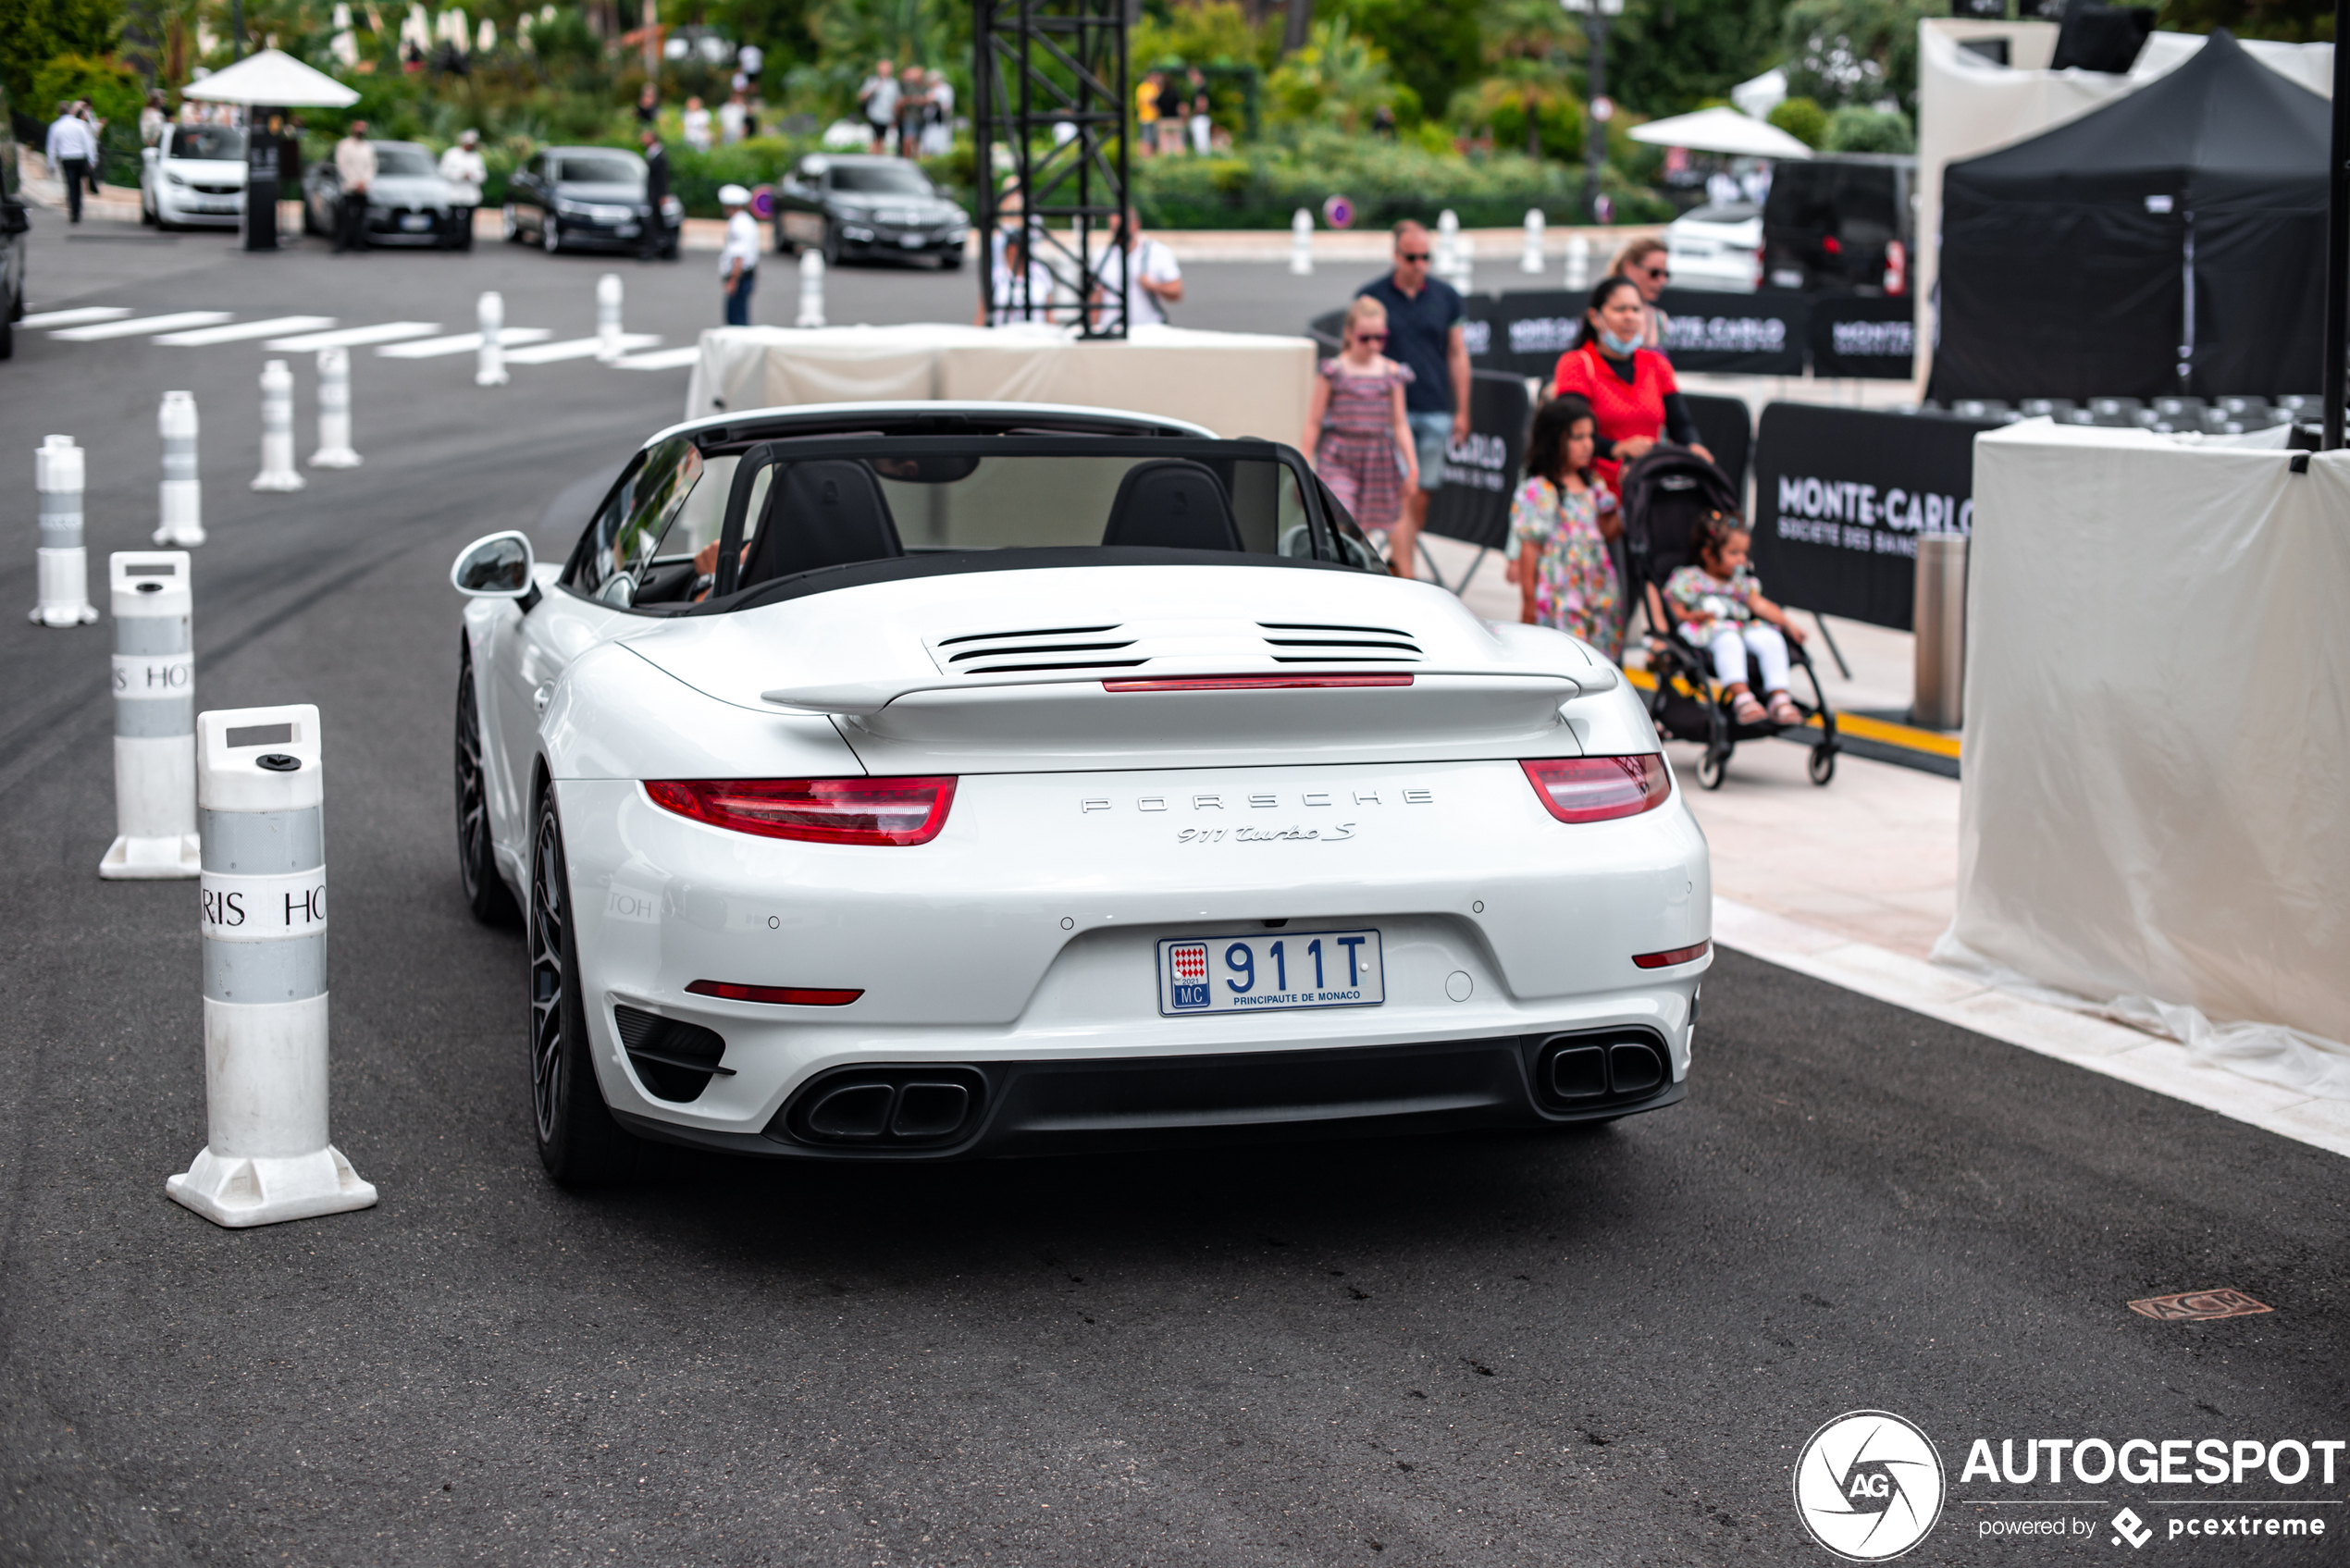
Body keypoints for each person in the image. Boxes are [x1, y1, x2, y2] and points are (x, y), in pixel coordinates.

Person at [1354, 220, 1470, 579]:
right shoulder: (1371, 296)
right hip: (1389, 413)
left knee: (1421, 494)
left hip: (1434, 407)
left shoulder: (1446, 295)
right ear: (1395, 256)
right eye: (1411, 257)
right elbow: (1358, 351)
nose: (1419, 264)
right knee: (1401, 492)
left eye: (1426, 257)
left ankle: (1398, 561)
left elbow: (1457, 352)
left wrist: (1463, 410)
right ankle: (1407, 574)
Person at [1551, 275, 1712, 492]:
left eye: (1636, 310)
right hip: (1593, 491)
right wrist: (1617, 448)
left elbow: (1680, 424)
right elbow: (1569, 431)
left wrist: (1694, 446)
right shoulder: (1577, 363)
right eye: (1620, 309)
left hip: (1646, 489)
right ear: (1595, 317)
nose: (1629, 317)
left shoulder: (1656, 364)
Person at [1509, 393, 1622, 660]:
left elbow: (1607, 532)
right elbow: (1529, 548)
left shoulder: (1593, 484)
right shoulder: (1540, 489)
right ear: (1554, 440)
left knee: (1598, 657)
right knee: (1569, 656)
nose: (1588, 445)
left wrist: (1627, 502)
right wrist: (1528, 603)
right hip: (1561, 593)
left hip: (1597, 589)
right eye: (1577, 437)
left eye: (1591, 436)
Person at [1664, 516, 1807, 726]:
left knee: (1771, 638)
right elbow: (1674, 608)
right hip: (1709, 628)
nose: (1742, 559)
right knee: (1729, 641)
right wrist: (1693, 616)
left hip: (1741, 625)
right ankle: (1743, 699)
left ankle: (1779, 698)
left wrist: (1788, 624)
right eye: (1734, 553)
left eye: (1744, 553)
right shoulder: (1690, 578)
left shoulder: (1740, 582)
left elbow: (1760, 606)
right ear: (1709, 555)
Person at [1302, 295, 1416, 535]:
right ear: (1349, 333)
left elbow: (1399, 423)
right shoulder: (1333, 371)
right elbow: (1314, 421)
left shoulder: (1391, 372)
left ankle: (1356, 567)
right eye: (1365, 338)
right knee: (1342, 512)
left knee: (1362, 530)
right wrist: (1302, 462)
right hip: (1340, 455)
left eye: (1380, 338)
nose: (1373, 345)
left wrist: (1412, 467)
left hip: (1377, 457)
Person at [1088, 207, 1181, 328]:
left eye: (1120, 228)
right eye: (1113, 228)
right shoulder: (1101, 255)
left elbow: (1176, 292)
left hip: (1149, 329)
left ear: (1135, 225)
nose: (1117, 233)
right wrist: (1092, 328)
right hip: (1110, 330)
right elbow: (1096, 296)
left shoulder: (1158, 252)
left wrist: (1154, 286)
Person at [980, 227, 1058, 326]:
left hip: (1036, 336)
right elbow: (982, 315)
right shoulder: (995, 276)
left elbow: (1049, 314)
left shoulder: (1040, 272)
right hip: (1001, 337)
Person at [1608, 236, 1671, 350]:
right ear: (1629, 267)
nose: (1663, 281)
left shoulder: (1659, 318)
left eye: (1665, 274)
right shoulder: (1603, 314)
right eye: (1654, 273)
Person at [45, 102, 99, 222]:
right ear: (70, 111)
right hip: (79, 157)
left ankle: (73, 211)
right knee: (78, 184)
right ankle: (78, 209)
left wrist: (51, 164)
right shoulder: (80, 125)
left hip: (66, 158)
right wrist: (92, 160)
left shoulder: (55, 126)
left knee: (71, 185)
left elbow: (51, 148)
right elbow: (88, 143)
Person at [332, 119, 377, 253]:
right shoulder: (344, 145)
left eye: (363, 127)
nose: (361, 130)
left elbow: (371, 167)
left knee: (361, 219)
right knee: (344, 219)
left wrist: (364, 182)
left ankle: (359, 245)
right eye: (359, 127)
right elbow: (342, 166)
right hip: (348, 188)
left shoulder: (368, 147)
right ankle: (341, 245)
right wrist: (354, 183)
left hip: (363, 188)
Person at [718, 183, 759, 326]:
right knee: (739, 315)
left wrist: (733, 280)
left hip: (740, 275)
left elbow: (738, 255)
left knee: (736, 320)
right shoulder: (746, 221)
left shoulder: (738, 224)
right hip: (745, 274)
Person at [439, 128, 486, 233]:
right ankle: (450, 243)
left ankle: (465, 244)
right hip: (454, 193)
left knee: (468, 222)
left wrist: (472, 176)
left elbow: (482, 175)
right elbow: (443, 171)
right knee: (451, 220)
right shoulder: (451, 154)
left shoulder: (477, 157)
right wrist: (460, 175)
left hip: (471, 195)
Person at [638, 126, 670, 260]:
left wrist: (663, 195)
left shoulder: (659, 155)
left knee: (657, 223)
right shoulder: (652, 152)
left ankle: (660, 250)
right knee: (655, 222)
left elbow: (663, 177)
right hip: (653, 193)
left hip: (656, 194)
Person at [860, 59, 899, 154]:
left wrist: (896, 116)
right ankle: (874, 156)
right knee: (875, 137)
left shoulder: (893, 84)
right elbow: (862, 97)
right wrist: (873, 90)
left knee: (883, 138)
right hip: (874, 114)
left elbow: (896, 101)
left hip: (887, 115)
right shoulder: (872, 81)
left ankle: (879, 157)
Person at [896, 68, 929, 160]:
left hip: (922, 117)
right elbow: (900, 101)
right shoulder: (907, 87)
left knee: (917, 142)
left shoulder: (926, 87)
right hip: (909, 117)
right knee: (908, 139)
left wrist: (918, 100)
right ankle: (906, 160)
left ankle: (916, 160)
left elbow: (928, 99)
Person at [1134, 71, 1160, 157]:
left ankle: (1151, 157)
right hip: (1145, 117)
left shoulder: (1155, 87)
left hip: (1155, 118)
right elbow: (1146, 101)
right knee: (1145, 139)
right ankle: (1144, 156)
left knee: (1154, 139)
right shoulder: (1142, 87)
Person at [1186, 68, 1211, 155]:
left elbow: (1203, 104)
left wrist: (1193, 112)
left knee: (1201, 144)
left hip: (1200, 117)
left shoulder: (1201, 89)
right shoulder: (1198, 89)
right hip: (1199, 117)